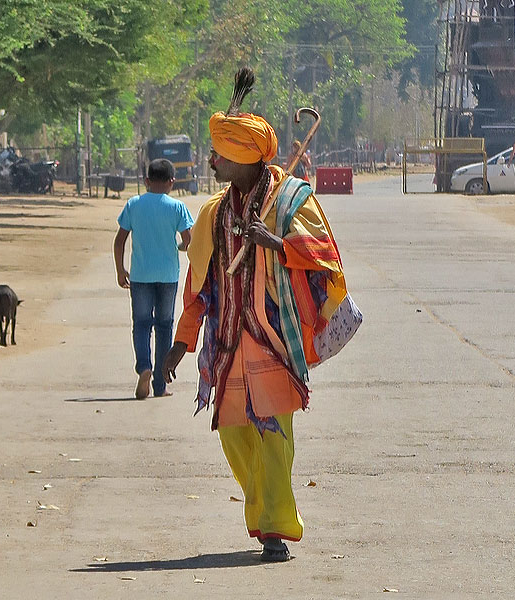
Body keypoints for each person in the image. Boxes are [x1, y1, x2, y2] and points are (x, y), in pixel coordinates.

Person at [162, 68, 348, 562]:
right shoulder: (212, 215)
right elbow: (199, 285)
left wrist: (279, 244)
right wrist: (181, 344)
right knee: (234, 434)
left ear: (244, 157)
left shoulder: (291, 202)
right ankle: (262, 509)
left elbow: (324, 255)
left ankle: (274, 529)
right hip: (226, 346)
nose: (211, 160)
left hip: (275, 339)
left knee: (273, 436)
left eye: (219, 154)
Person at [113, 158, 194, 399]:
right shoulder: (176, 207)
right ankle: (160, 384)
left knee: (141, 324)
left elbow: (120, 240)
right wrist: (180, 247)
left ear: (146, 181)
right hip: (168, 276)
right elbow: (188, 239)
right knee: (164, 326)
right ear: (172, 182)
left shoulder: (133, 204)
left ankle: (144, 367)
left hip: (140, 276)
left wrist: (120, 270)